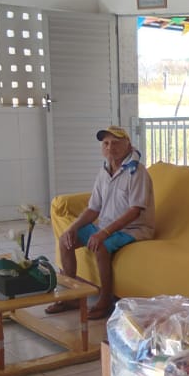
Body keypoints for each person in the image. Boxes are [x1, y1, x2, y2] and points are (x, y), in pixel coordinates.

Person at [45, 126, 154, 320]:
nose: (110, 148)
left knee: (100, 246)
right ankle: (72, 296)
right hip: (106, 225)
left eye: (116, 143)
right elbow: (93, 208)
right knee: (65, 240)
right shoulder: (104, 171)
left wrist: (103, 233)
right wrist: (72, 228)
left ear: (128, 145)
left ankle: (105, 301)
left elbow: (135, 211)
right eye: (106, 143)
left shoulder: (137, 171)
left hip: (134, 228)